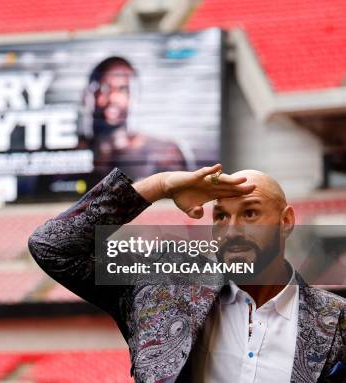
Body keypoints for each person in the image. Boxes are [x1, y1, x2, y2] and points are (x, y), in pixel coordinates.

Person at [28, 164, 345, 382]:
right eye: (220, 216)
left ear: (286, 221)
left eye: (250, 212)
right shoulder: (162, 288)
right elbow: (53, 248)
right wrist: (160, 185)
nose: (232, 230)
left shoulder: (336, 319)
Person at [84, 57, 189, 179]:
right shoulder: (75, 153)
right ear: (88, 95)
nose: (112, 97)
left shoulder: (164, 154)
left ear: (135, 95)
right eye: (104, 88)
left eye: (123, 89)